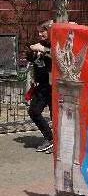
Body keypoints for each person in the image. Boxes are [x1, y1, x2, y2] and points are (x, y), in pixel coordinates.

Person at [25, 20, 54, 153]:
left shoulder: (56, 44)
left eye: (43, 31)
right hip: (41, 86)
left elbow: (60, 57)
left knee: (57, 116)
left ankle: (59, 143)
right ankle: (50, 138)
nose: (40, 34)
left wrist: (45, 50)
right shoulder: (39, 44)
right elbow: (33, 60)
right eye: (39, 31)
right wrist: (30, 52)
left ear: (50, 31)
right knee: (34, 111)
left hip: (54, 87)